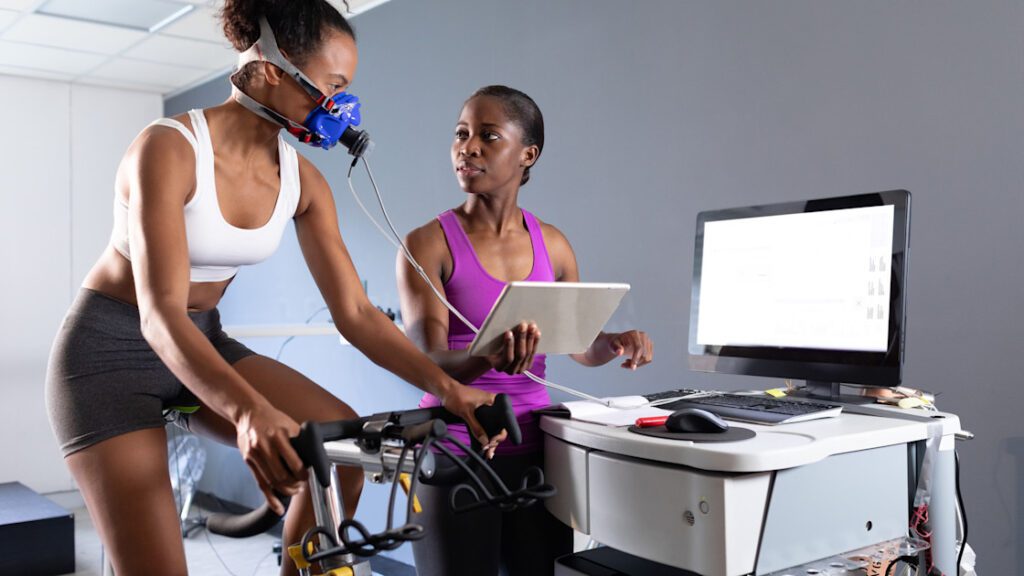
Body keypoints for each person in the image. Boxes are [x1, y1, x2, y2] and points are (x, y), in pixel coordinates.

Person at [44, 2, 502, 574]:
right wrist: (248, 413)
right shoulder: (168, 149)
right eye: (331, 86)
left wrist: (449, 389)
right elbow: (158, 316)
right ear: (268, 68)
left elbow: (356, 313)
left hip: (203, 340)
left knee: (341, 456)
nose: (342, 107)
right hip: (107, 356)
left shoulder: (303, 182)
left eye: (347, 89)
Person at [397, 85, 655, 576]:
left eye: (488, 136)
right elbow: (427, 358)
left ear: (527, 154)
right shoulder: (426, 243)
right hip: (455, 447)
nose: (467, 147)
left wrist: (616, 342)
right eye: (461, 134)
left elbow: (577, 344)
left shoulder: (553, 245)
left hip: (538, 446)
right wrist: (487, 357)